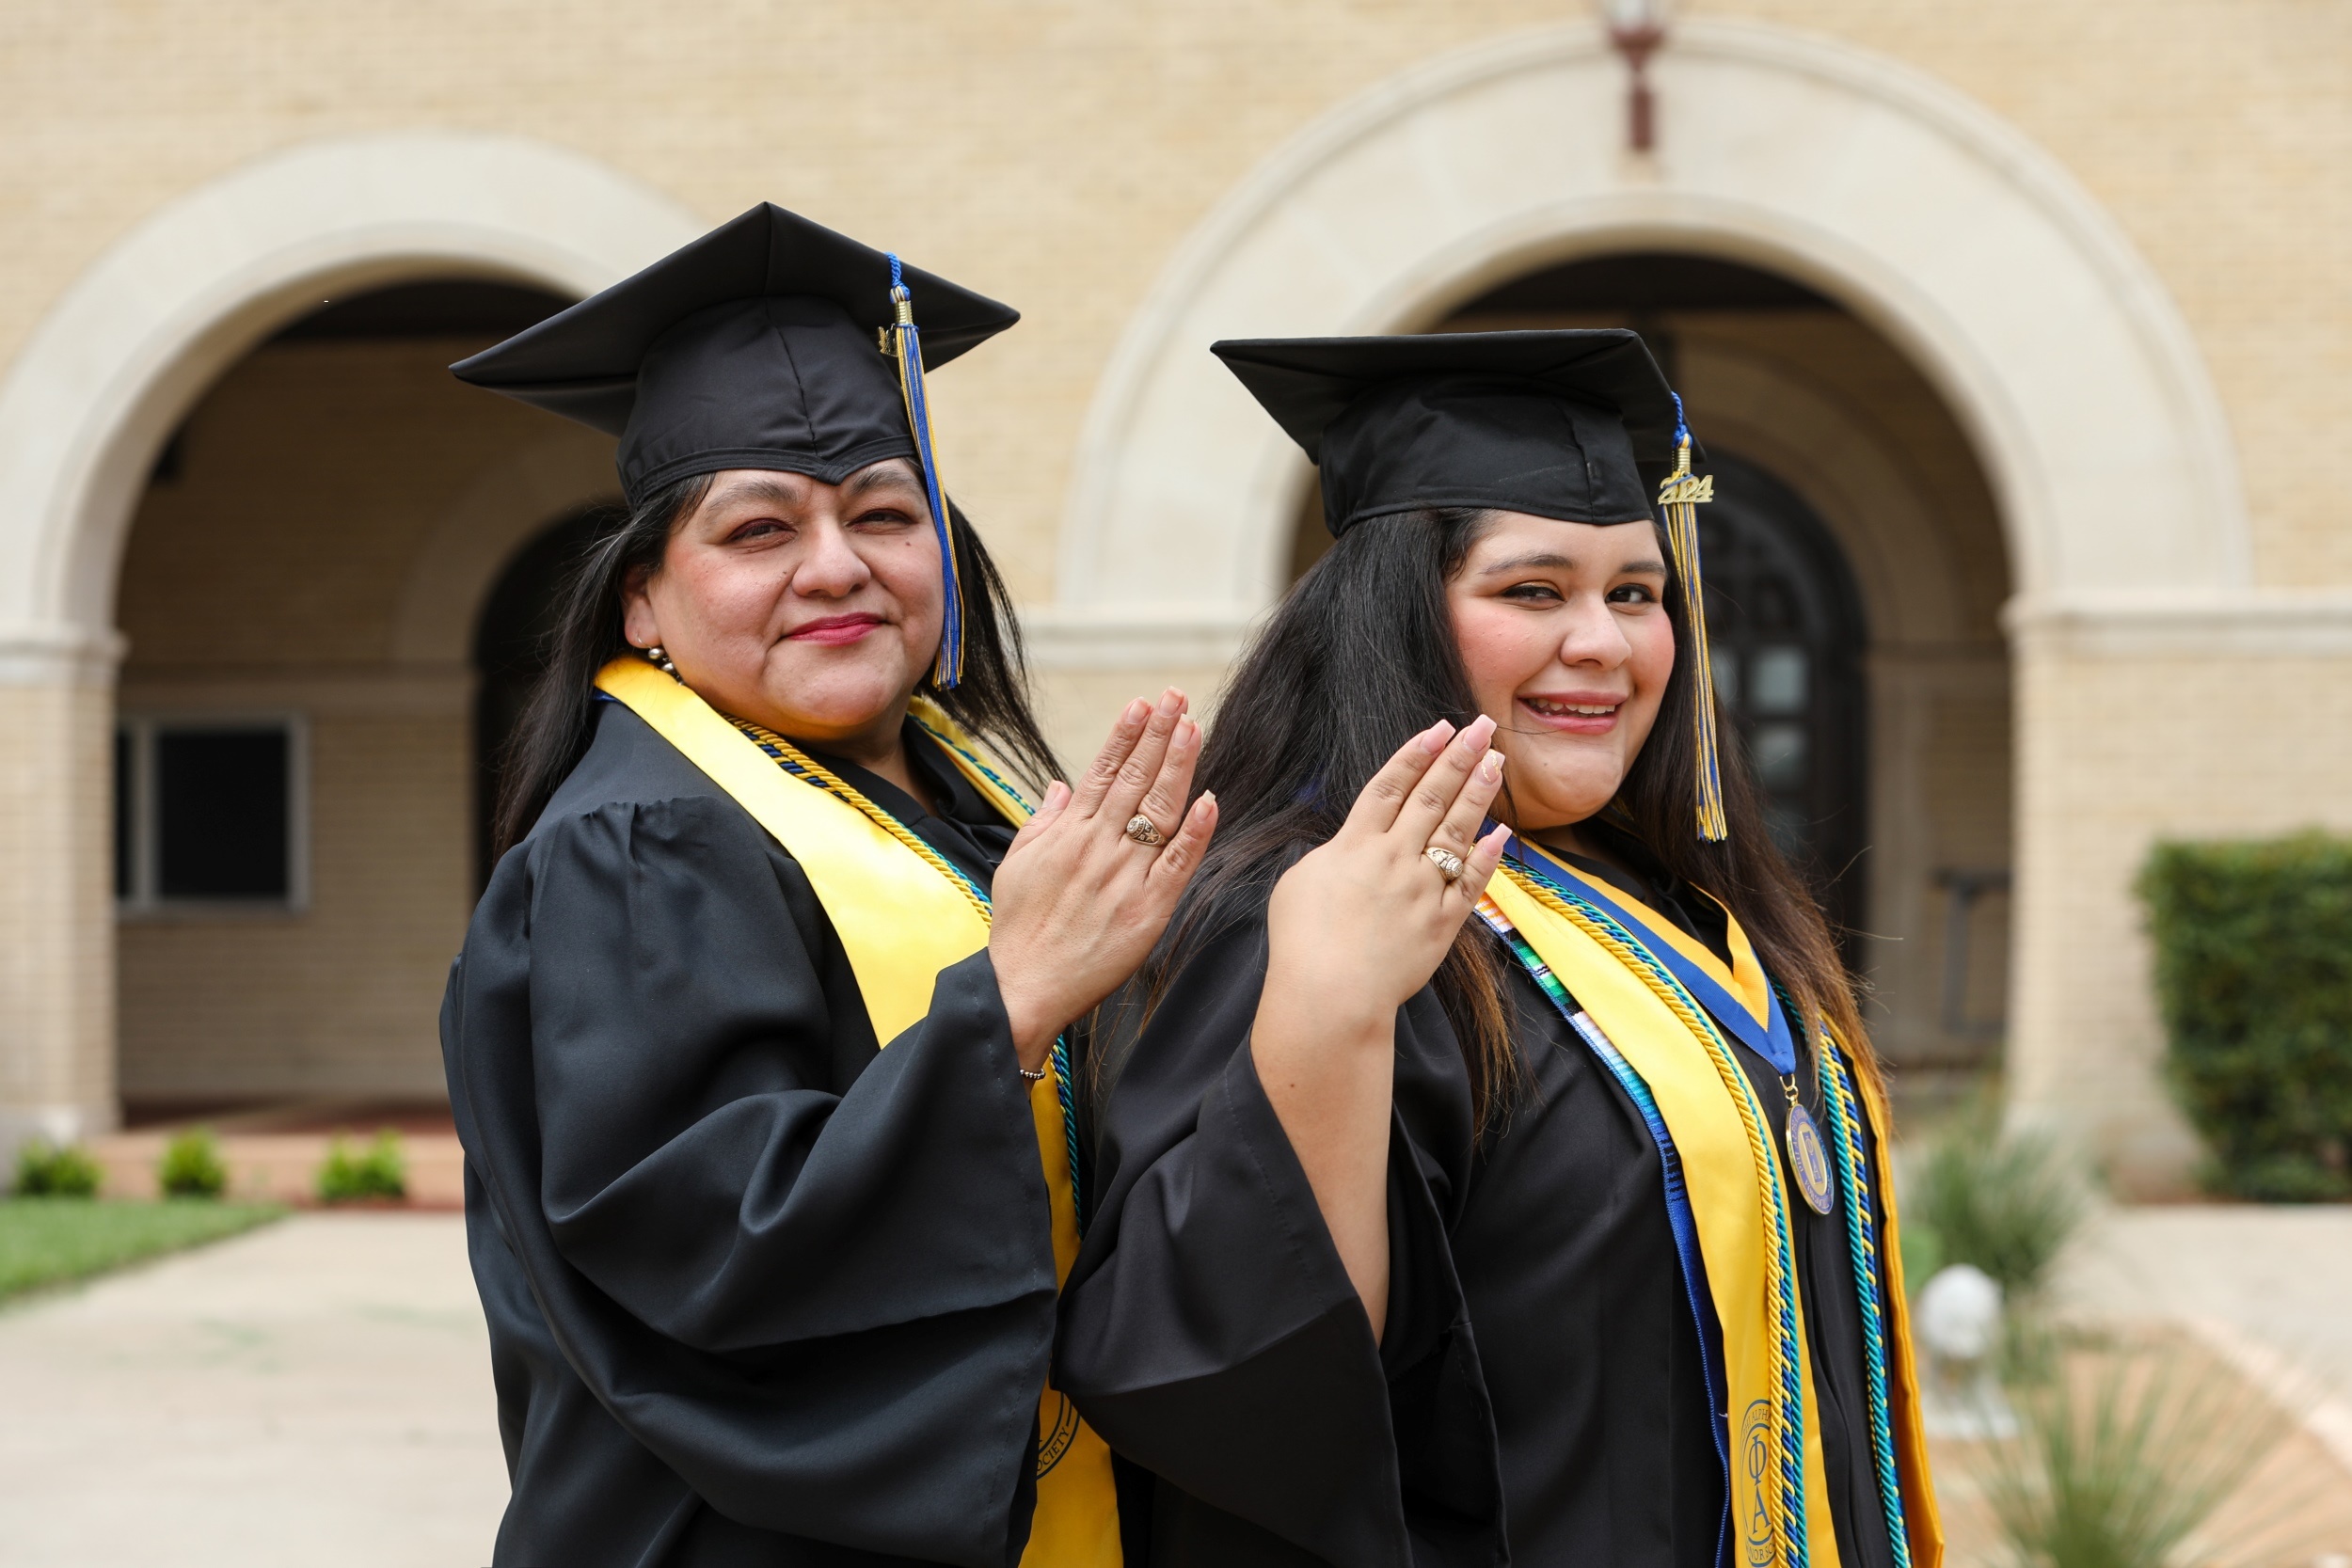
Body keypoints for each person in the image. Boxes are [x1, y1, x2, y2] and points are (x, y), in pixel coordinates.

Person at [1056, 331, 1942, 1568]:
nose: (1605, 644)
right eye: (1535, 591)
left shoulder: (1675, 904)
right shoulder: (1304, 917)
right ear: (1399, 618)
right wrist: (1329, 1013)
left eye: (1637, 593)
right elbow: (1232, 1388)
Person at [440, 204, 1212, 1567]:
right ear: (642, 604)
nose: (839, 565)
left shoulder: (969, 803)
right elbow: (713, 1252)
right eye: (757, 531)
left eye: (881, 512)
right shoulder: (638, 850)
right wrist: (1016, 1002)